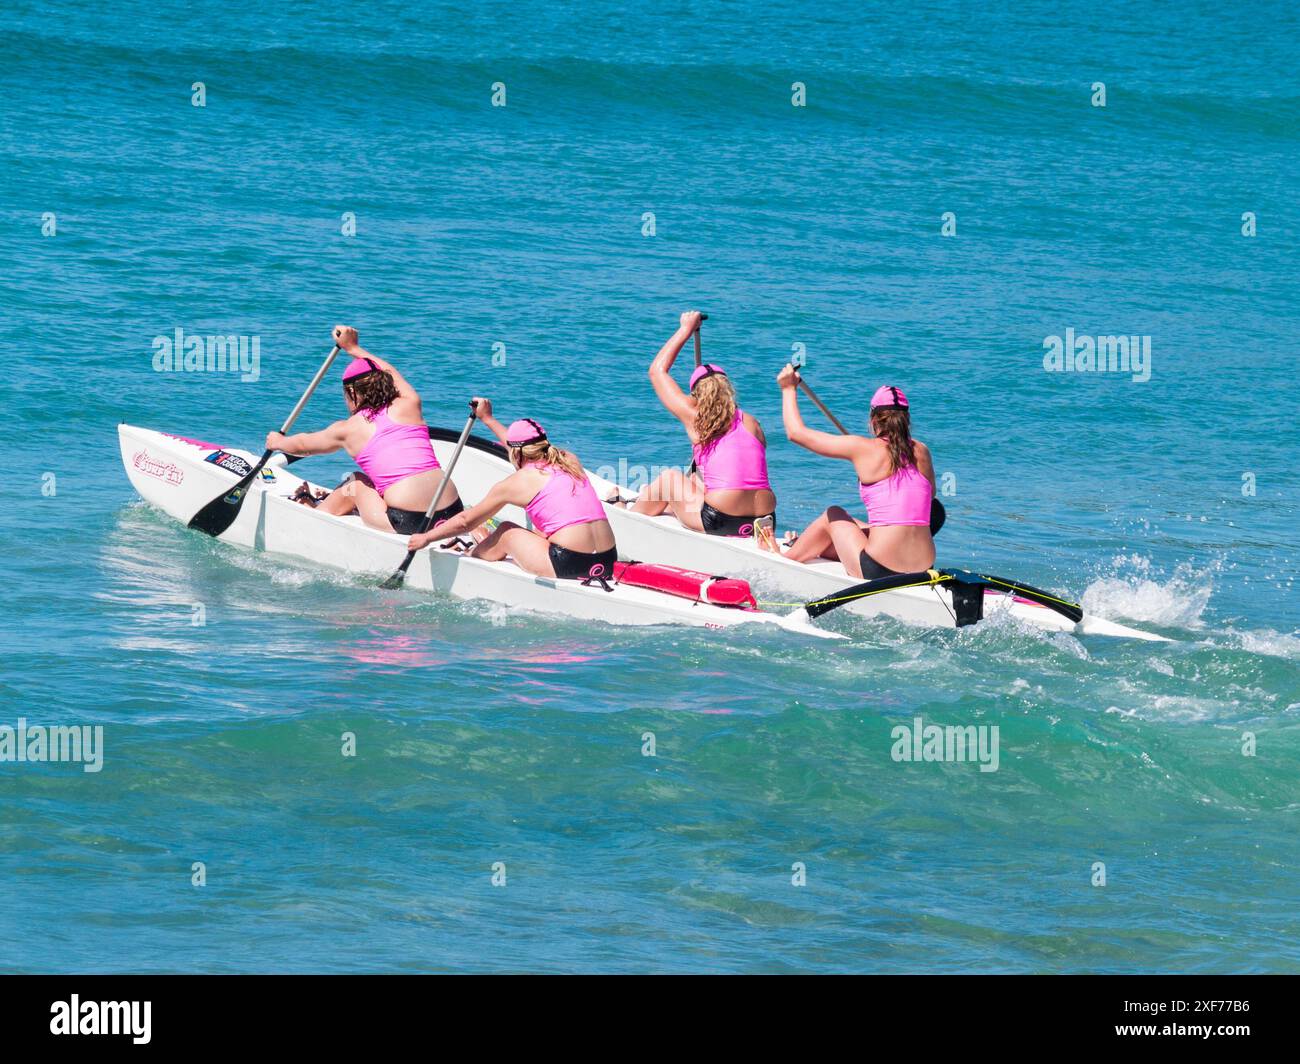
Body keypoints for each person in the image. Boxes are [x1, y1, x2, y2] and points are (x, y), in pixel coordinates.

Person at [266, 326, 463, 535]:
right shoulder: (409, 404)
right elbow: (390, 371)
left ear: (352, 392)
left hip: (408, 521)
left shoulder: (348, 429)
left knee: (356, 482)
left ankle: (315, 518)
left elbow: (303, 446)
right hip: (452, 510)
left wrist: (278, 442)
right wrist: (353, 348)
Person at [407, 400, 618, 581]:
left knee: (506, 530)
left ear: (517, 453)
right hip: (608, 560)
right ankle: (482, 543)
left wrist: (427, 537)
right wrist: (487, 418)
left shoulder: (517, 482)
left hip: (568, 563)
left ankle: (472, 552)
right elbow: (521, 449)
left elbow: (465, 521)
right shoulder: (569, 460)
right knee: (541, 531)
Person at [777, 364, 936, 578]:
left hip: (880, 570)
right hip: (923, 569)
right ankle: (812, 545)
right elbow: (929, 497)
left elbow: (796, 433)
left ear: (873, 420)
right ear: (906, 421)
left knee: (833, 515)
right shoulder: (922, 451)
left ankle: (783, 558)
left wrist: (788, 389)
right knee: (862, 526)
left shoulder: (862, 448)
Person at [628, 311, 777, 537]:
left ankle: (630, 517)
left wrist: (686, 329)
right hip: (764, 520)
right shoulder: (752, 422)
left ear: (696, 395)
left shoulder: (695, 416)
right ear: (728, 390)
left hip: (720, 519)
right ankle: (663, 506)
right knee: (695, 480)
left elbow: (657, 371)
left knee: (669, 478)